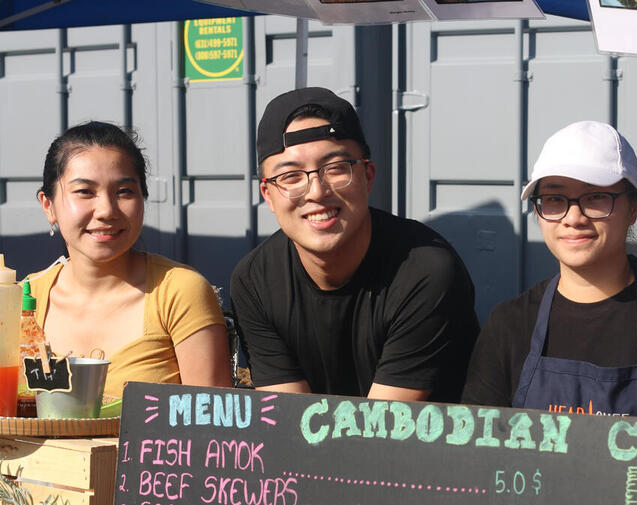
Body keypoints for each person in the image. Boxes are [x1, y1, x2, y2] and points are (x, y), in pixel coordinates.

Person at [230, 87, 479, 402]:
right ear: (268, 195)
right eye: (291, 177)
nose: (316, 192)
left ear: (368, 176)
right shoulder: (255, 281)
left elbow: (381, 429)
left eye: (335, 169)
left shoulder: (425, 271)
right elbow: (287, 419)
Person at [461, 121, 637, 418]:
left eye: (595, 197)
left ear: (635, 207)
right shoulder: (509, 325)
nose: (573, 218)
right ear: (538, 209)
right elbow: (481, 450)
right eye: (554, 199)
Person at [33, 121, 232, 405]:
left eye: (124, 191)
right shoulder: (20, 300)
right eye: (85, 192)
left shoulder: (179, 291)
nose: (106, 211)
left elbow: (212, 430)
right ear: (48, 205)